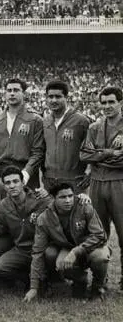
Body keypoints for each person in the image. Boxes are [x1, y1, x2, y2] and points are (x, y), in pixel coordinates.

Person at [24, 183, 109, 302]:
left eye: (70, 196)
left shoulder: (84, 206)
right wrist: (33, 287)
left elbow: (100, 236)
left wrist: (76, 251)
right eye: (62, 197)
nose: (68, 200)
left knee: (101, 257)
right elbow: (37, 251)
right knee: (59, 262)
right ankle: (80, 281)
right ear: (53, 199)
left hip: (92, 246)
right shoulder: (44, 218)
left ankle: (98, 288)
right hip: (67, 247)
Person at [80, 86, 123, 289]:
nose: (107, 106)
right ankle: (100, 281)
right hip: (97, 184)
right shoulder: (95, 127)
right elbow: (84, 155)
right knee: (98, 233)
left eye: (111, 102)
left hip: (119, 183)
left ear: (120, 103)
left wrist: (98, 157)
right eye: (104, 102)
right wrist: (108, 153)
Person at [0, 166, 52, 285]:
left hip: (42, 248)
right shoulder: (3, 206)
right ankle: (27, 279)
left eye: (15, 181)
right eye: (8, 183)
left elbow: (56, 207)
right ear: (4, 186)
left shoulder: (39, 198)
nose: (12, 186)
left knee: (51, 254)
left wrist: (48, 194)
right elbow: (1, 226)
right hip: (21, 249)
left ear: (23, 183)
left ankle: (48, 276)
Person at [0, 78, 44, 190]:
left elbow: (38, 153)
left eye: (16, 90)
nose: (12, 93)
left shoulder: (35, 120)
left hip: (26, 173)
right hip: (1, 174)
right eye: (9, 90)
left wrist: (26, 173)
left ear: (24, 93)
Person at [42, 81, 91, 191]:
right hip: (49, 181)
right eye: (50, 97)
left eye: (58, 96)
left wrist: (89, 171)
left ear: (66, 97)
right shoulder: (45, 121)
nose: (54, 100)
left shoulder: (81, 121)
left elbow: (92, 149)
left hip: (74, 180)